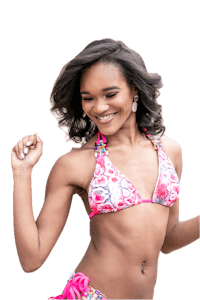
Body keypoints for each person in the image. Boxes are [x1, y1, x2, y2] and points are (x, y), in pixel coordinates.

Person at [10, 38, 200, 300]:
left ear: (134, 90)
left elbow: (166, 240)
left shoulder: (170, 152)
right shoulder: (76, 164)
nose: (99, 108)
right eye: (88, 98)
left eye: (110, 94)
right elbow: (32, 258)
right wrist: (21, 173)